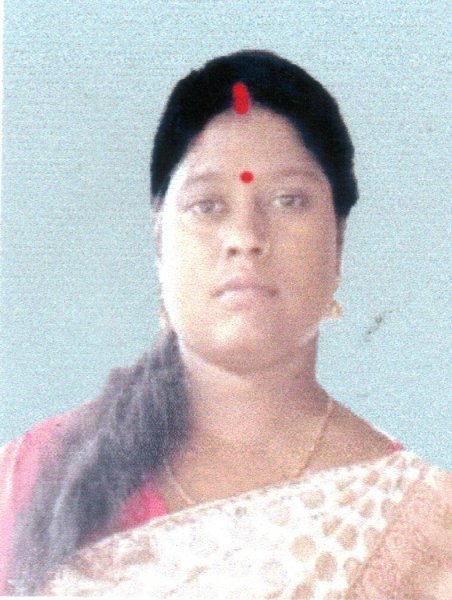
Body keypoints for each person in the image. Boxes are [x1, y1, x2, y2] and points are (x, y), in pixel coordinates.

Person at [0, 50, 450, 598]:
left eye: (288, 200)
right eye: (208, 205)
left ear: (338, 241)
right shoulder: (32, 477)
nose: (245, 237)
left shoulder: (419, 522)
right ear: (159, 241)